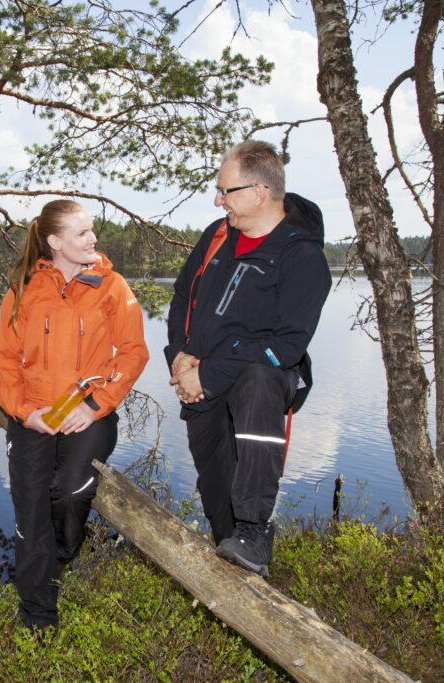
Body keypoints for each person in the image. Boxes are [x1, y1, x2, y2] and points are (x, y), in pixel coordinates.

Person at [164, 140, 331, 578]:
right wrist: (179, 357)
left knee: (260, 379)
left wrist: (210, 372)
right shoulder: (218, 236)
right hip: (200, 382)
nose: (219, 200)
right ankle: (240, 560)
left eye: (226, 190)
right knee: (218, 499)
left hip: (256, 386)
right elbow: (184, 295)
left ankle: (256, 529)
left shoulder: (303, 257)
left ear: (258, 191)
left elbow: (286, 347)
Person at [0, 199, 149, 630]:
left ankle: (60, 557)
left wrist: (96, 404)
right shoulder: (23, 288)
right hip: (35, 414)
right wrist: (26, 412)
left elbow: (134, 351)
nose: (93, 239)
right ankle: (38, 617)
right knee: (30, 514)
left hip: (90, 414)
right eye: (82, 233)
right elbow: (5, 360)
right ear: (55, 241)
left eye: (92, 231)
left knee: (70, 492)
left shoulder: (111, 285)